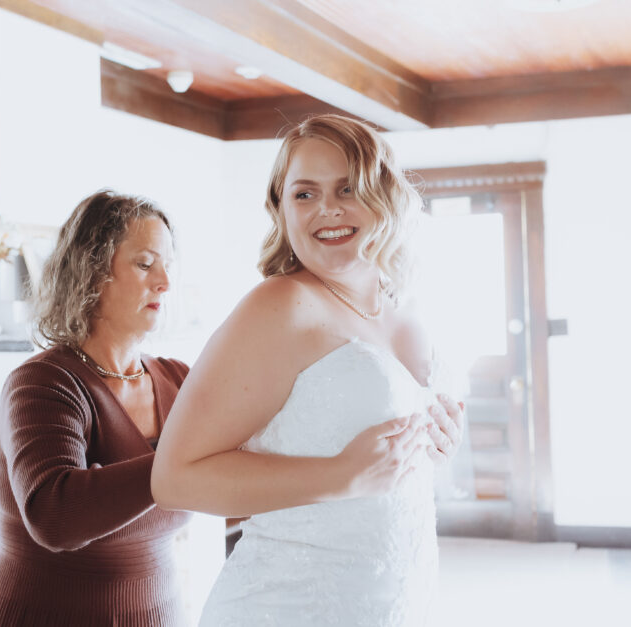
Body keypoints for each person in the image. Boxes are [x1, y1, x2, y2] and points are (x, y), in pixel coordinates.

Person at [152, 114, 465, 626]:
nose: (327, 210)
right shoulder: (281, 306)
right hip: (289, 606)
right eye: (304, 194)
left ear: (384, 195)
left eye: (347, 188)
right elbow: (174, 479)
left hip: (399, 600)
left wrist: (439, 439)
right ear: (281, 208)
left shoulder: (403, 305)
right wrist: (339, 476)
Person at [0, 190, 192, 626]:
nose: (164, 281)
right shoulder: (42, 384)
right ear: (93, 272)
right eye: (146, 264)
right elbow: (55, 518)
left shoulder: (180, 380)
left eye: (167, 264)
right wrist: (182, 464)